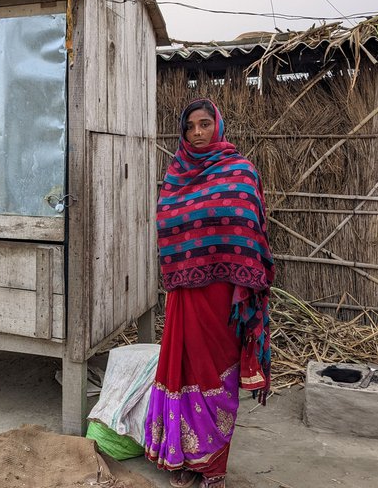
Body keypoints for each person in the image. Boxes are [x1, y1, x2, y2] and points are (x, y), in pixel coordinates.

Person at [144, 99, 275, 488]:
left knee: (216, 376)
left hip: (225, 298)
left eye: (204, 124)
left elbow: (251, 229)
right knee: (183, 371)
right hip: (185, 291)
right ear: (183, 134)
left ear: (217, 126)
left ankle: (214, 467)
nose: (198, 132)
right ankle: (186, 458)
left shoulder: (241, 171)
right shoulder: (176, 175)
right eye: (191, 127)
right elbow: (167, 225)